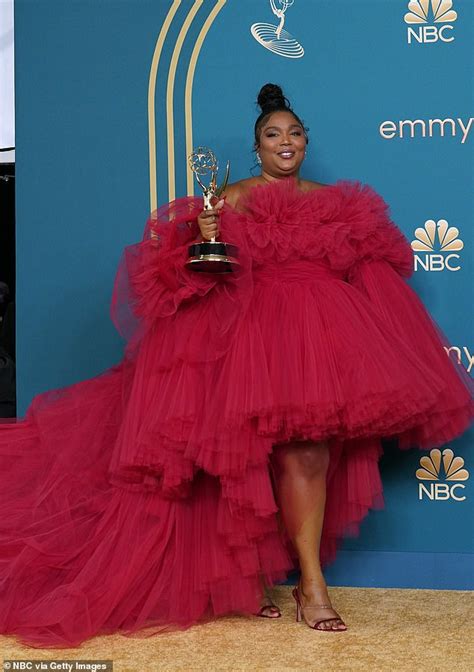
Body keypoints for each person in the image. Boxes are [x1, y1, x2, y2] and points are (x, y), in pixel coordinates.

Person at [0, 83, 472, 647]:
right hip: (246, 343)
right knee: (240, 465)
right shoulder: (230, 200)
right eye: (273, 135)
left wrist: (384, 335)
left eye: (295, 133)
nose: (286, 142)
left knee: (309, 453)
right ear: (258, 148)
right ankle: (246, 584)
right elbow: (188, 273)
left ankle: (312, 585)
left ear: (306, 141)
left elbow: (380, 267)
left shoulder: (334, 201)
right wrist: (201, 239)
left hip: (321, 343)